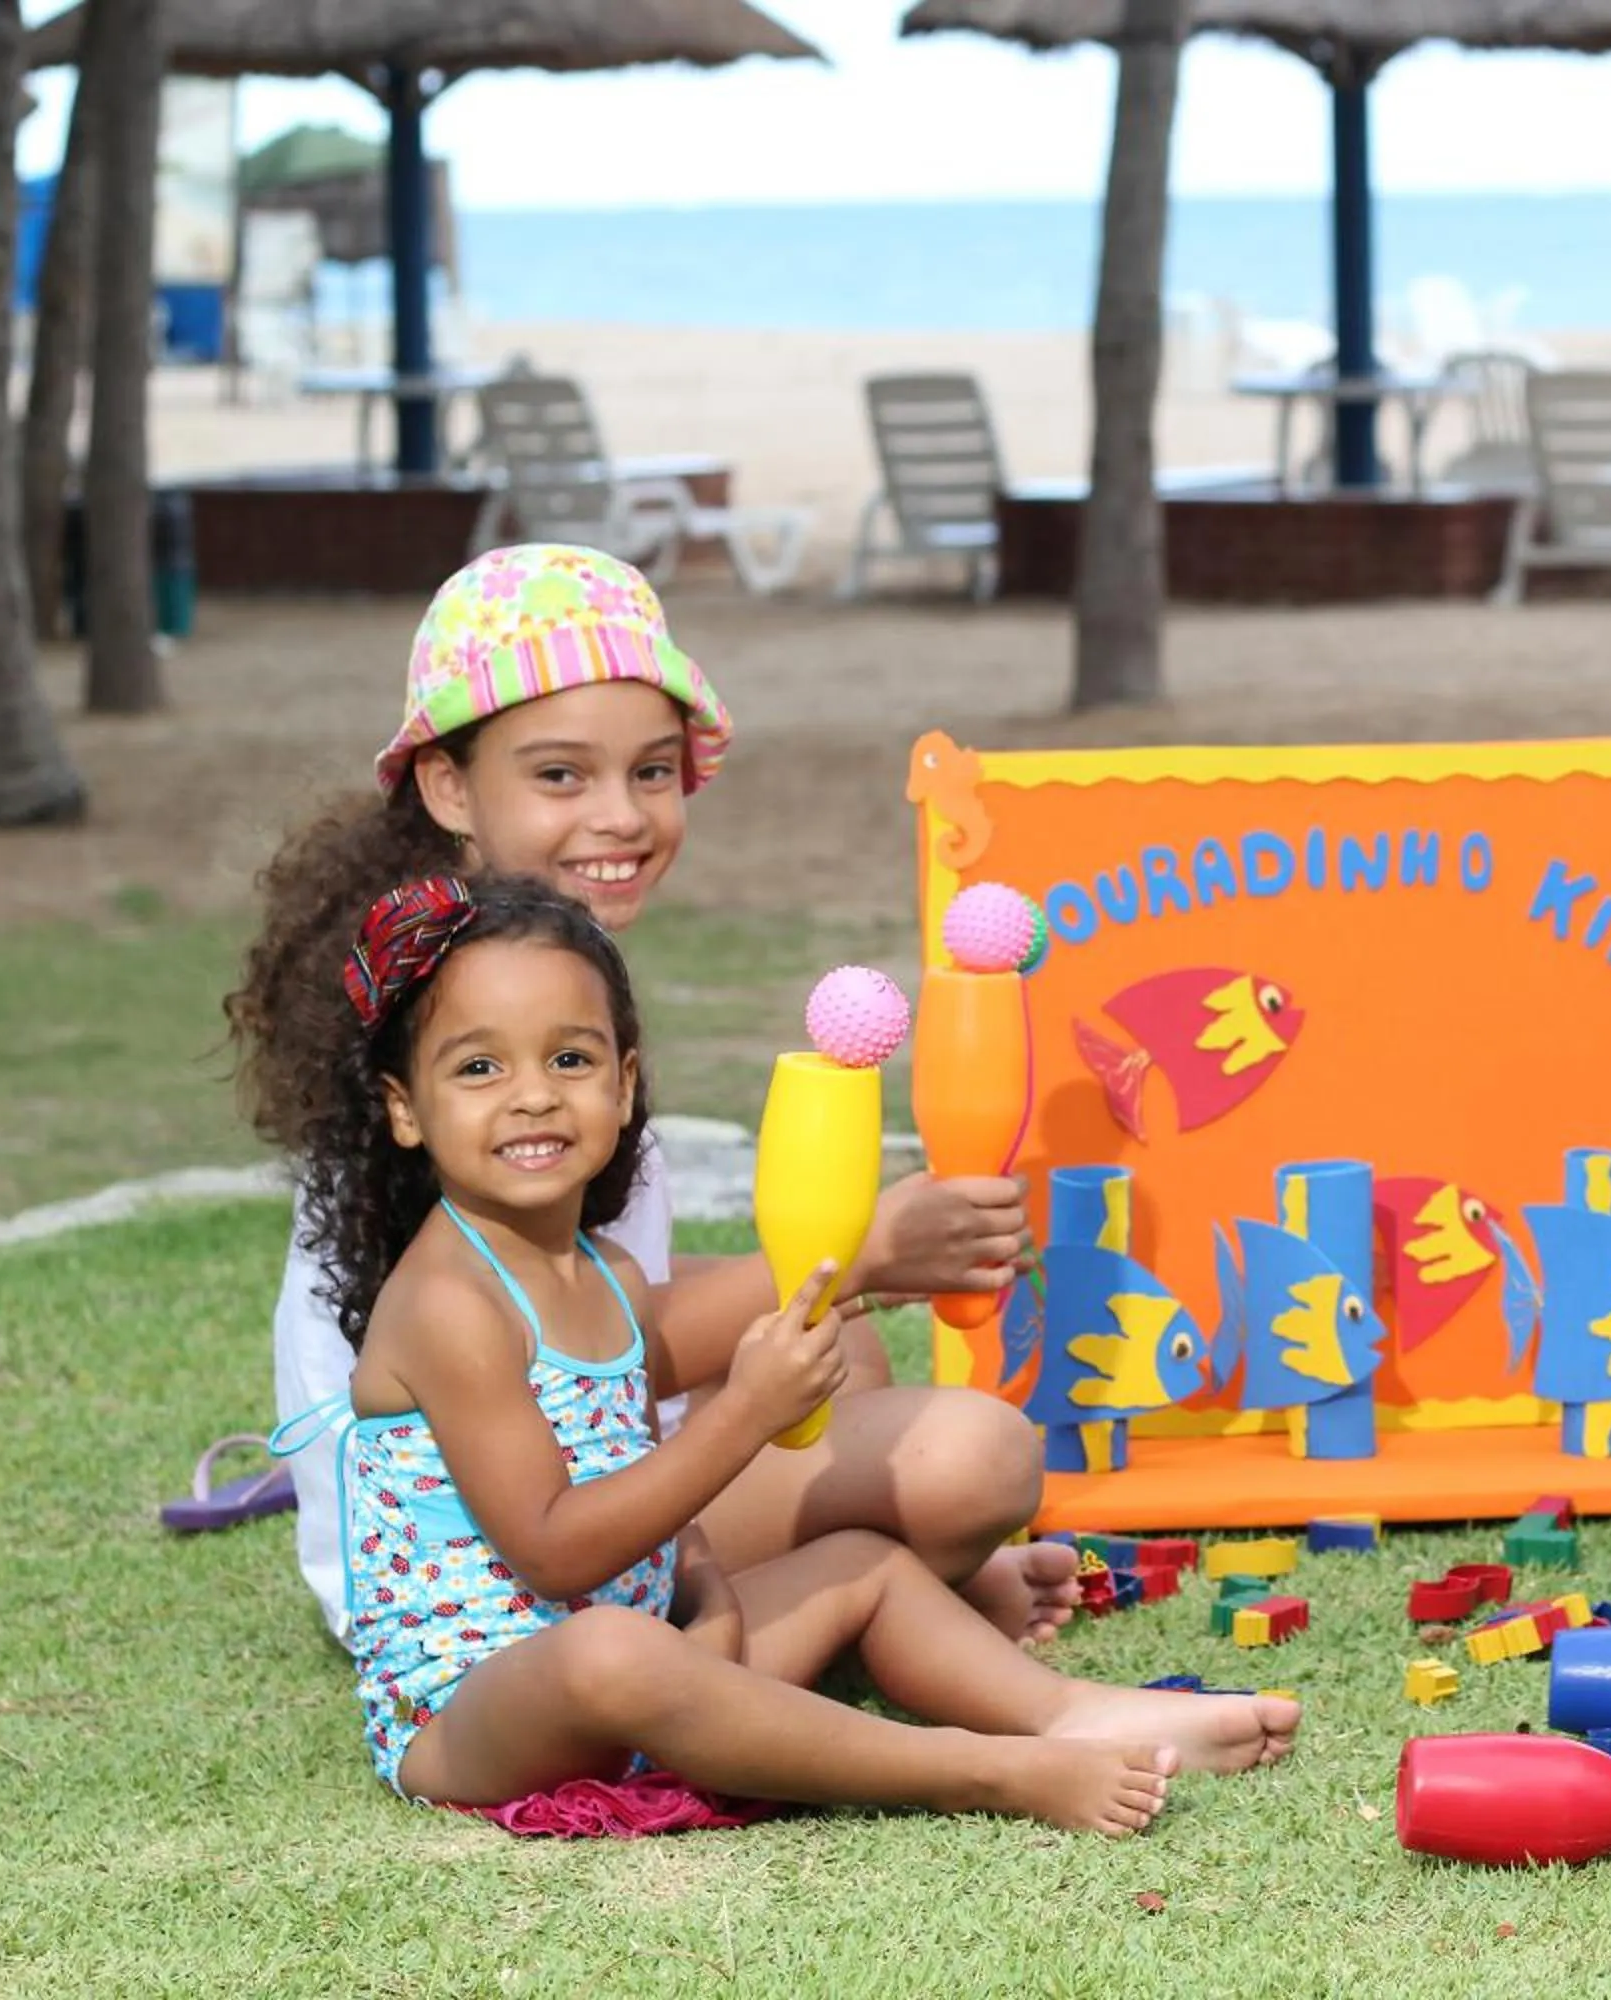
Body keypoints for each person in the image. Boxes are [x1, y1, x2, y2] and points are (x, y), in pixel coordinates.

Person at [251, 871, 1296, 1824]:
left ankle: (1072, 1712)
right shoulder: (449, 1303)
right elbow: (555, 1549)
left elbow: (637, 1477)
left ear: (624, 1083)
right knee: (610, 1651)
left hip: (648, 1655)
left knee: (862, 1567)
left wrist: (706, 1598)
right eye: (479, 1066)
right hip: (479, 1708)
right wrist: (747, 1412)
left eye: (570, 1059)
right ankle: (981, 1769)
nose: (533, 1093)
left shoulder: (606, 1272)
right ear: (405, 1110)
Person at [227, 545, 1076, 1648]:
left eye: (652, 772)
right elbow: (571, 1340)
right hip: (477, 1562)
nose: (621, 815)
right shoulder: (453, 1022)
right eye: (561, 775)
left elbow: (609, 1294)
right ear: (448, 786)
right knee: (971, 1456)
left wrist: (842, 1275)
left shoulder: (501, 967)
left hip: (561, 1449)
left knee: (839, 1347)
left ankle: (883, 1581)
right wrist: (862, 1249)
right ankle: (867, 1594)